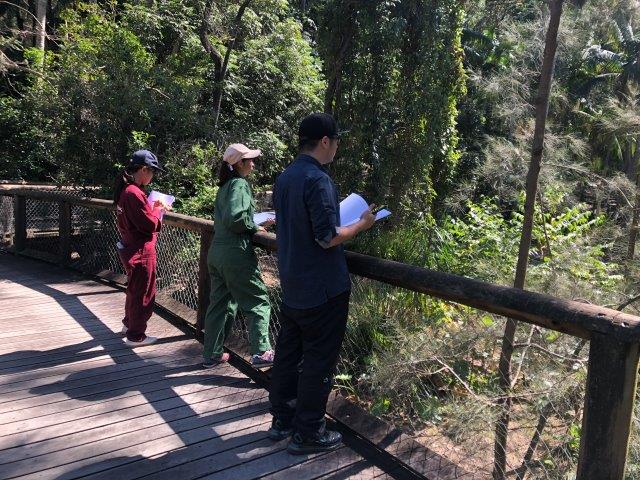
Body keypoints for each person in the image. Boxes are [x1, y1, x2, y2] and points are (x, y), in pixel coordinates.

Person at [268, 113, 376, 454]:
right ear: (325, 141)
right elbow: (328, 237)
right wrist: (362, 224)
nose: (338, 147)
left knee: (288, 354)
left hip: (293, 282)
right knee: (318, 360)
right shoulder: (318, 179)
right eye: (337, 140)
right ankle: (309, 431)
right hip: (323, 288)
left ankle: (282, 419)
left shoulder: (285, 177)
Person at [202, 143, 275, 368]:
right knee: (258, 300)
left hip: (216, 252)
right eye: (250, 160)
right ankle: (261, 351)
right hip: (235, 253)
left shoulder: (224, 187)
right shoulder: (239, 184)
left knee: (220, 304)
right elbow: (236, 218)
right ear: (239, 163)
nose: (253, 164)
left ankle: (212, 353)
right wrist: (255, 227)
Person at [114, 149, 170, 347]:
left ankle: (128, 324)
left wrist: (152, 208)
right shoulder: (134, 193)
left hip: (130, 246)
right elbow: (149, 224)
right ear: (144, 169)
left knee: (134, 289)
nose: (153, 176)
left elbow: (138, 218)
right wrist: (158, 211)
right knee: (144, 293)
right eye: (152, 171)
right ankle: (136, 336)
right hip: (141, 250)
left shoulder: (127, 190)